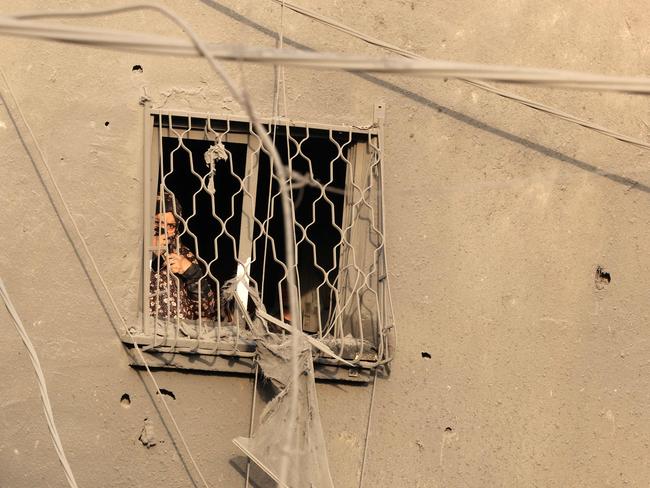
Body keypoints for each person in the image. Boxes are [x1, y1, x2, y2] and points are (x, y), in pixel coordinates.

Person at [149, 193, 217, 322]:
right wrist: (150, 253)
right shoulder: (132, 252)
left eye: (170, 226)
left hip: (180, 336)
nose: (164, 230)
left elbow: (207, 311)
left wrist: (192, 273)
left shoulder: (182, 254)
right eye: (157, 222)